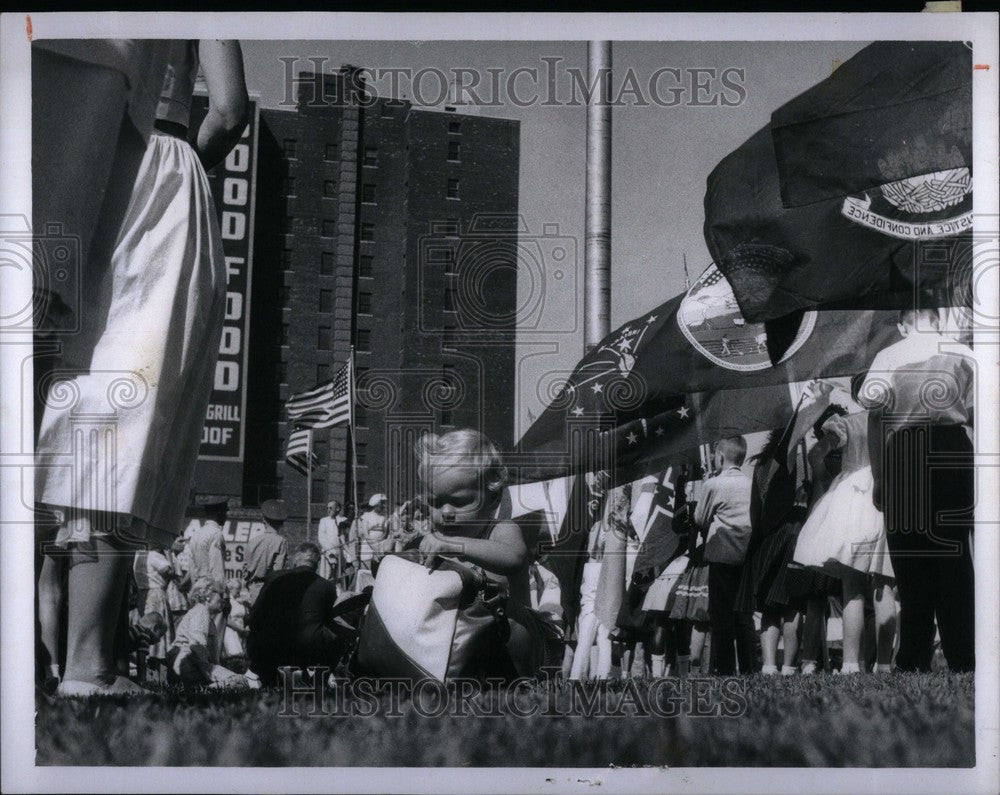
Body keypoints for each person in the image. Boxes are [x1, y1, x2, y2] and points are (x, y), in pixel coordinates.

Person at [34, 40, 248, 698]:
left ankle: (32, 656)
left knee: (45, 400)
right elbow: (231, 108)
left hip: (57, 147)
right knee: (117, 411)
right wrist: (191, 159)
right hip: (156, 167)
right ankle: (87, 664)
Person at [859, 306, 976, 672]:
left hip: (905, 451)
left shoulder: (888, 355)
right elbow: (980, 414)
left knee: (910, 561)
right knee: (954, 555)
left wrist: (879, 478)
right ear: (938, 318)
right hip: (953, 448)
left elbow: (875, 420)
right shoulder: (964, 354)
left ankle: (913, 655)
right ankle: (963, 654)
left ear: (901, 324)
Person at [416, 429, 561, 678]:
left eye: (459, 502)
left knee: (513, 630)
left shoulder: (501, 530)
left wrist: (455, 545)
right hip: (463, 644)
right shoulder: (438, 540)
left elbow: (514, 558)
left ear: (493, 498)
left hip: (514, 646)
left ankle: (520, 684)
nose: (445, 512)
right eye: (435, 502)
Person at [793, 377, 897, 674]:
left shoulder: (847, 422)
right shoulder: (893, 418)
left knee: (852, 589)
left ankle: (852, 664)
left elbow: (815, 455)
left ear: (855, 392)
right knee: (885, 586)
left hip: (852, 496)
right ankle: (885, 664)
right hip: (885, 493)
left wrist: (826, 472)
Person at [736, 381, 837, 675]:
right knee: (792, 606)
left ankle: (769, 665)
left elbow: (756, 508)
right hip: (794, 531)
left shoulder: (762, 463)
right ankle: (789, 666)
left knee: (769, 607)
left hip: (767, 535)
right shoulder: (797, 460)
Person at [245, 543, 349, 686]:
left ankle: (268, 674)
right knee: (341, 634)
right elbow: (329, 622)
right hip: (307, 650)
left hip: (270, 647)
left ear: (295, 560)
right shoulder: (327, 586)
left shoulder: (275, 577)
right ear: (317, 564)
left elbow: (256, 614)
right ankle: (319, 678)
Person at [695, 437, 756, 675]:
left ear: (720, 457)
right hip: (745, 557)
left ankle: (726, 667)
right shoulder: (751, 484)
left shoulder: (714, 484)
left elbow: (700, 519)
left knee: (721, 615)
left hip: (722, 557)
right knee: (744, 614)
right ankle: (750, 667)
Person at [166, 578, 246, 688]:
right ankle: (205, 687)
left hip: (186, 667)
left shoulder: (205, 616)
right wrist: (209, 674)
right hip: (187, 666)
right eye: (221, 594)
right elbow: (197, 646)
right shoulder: (201, 612)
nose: (224, 599)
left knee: (238, 681)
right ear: (207, 595)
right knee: (240, 681)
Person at [243, 500, 290, 603]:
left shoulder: (253, 541)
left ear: (263, 519)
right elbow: (279, 572)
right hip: (270, 591)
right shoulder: (281, 542)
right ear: (281, 522)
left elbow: (245, 571)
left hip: (252, 590)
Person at [222, 580, 251, 662]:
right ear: (230, 589)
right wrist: (240, 629)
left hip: (242, 632)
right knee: (234, 656)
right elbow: (226, 619)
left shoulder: (241, 601)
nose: (239, 591)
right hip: (232, 631)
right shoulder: (228, 602)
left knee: (242, 657)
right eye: (237, 588)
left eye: (240, 588)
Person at [317, 500, 344, 580]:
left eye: (330, 508)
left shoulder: (343, 520)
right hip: (328, 553)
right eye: (327, 508)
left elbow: (344, 538)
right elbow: (321, 538)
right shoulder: (324, 521)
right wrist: (331, 552)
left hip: (340, 554)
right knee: (326, 576)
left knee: (339, 578)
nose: (328, 510)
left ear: (337, 509)